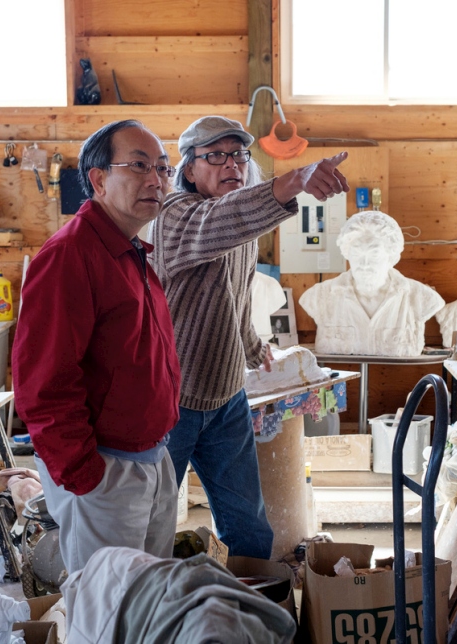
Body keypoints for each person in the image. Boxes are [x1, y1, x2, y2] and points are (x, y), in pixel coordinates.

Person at [149, 115, 348, 558]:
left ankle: (247, 619)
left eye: (238, 155)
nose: (231, 165)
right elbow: (223, 218)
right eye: (214, 156)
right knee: (151, 531)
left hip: (225, 399)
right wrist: (297, 179)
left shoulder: (241, 232)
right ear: (188, 170)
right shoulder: (176, 215)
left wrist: (256, 349)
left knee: (252, 533)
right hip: (169, 404)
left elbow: (234, 298)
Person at [13, 120, 181, 574]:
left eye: (163, 168)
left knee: (145, 604)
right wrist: (86, 477)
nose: (157, 180)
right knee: (106, 611)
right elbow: (42, 384)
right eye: (140, 166)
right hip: (105, 471)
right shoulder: (71, 255)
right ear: (99, 179)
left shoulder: (130, 251)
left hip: (149, 458)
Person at [299, 211, 444, 357]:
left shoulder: (421, 297)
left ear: (391, 254)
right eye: (356, 253)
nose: (364, 264)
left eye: (374, 254)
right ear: (347, 253)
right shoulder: (319, 297)